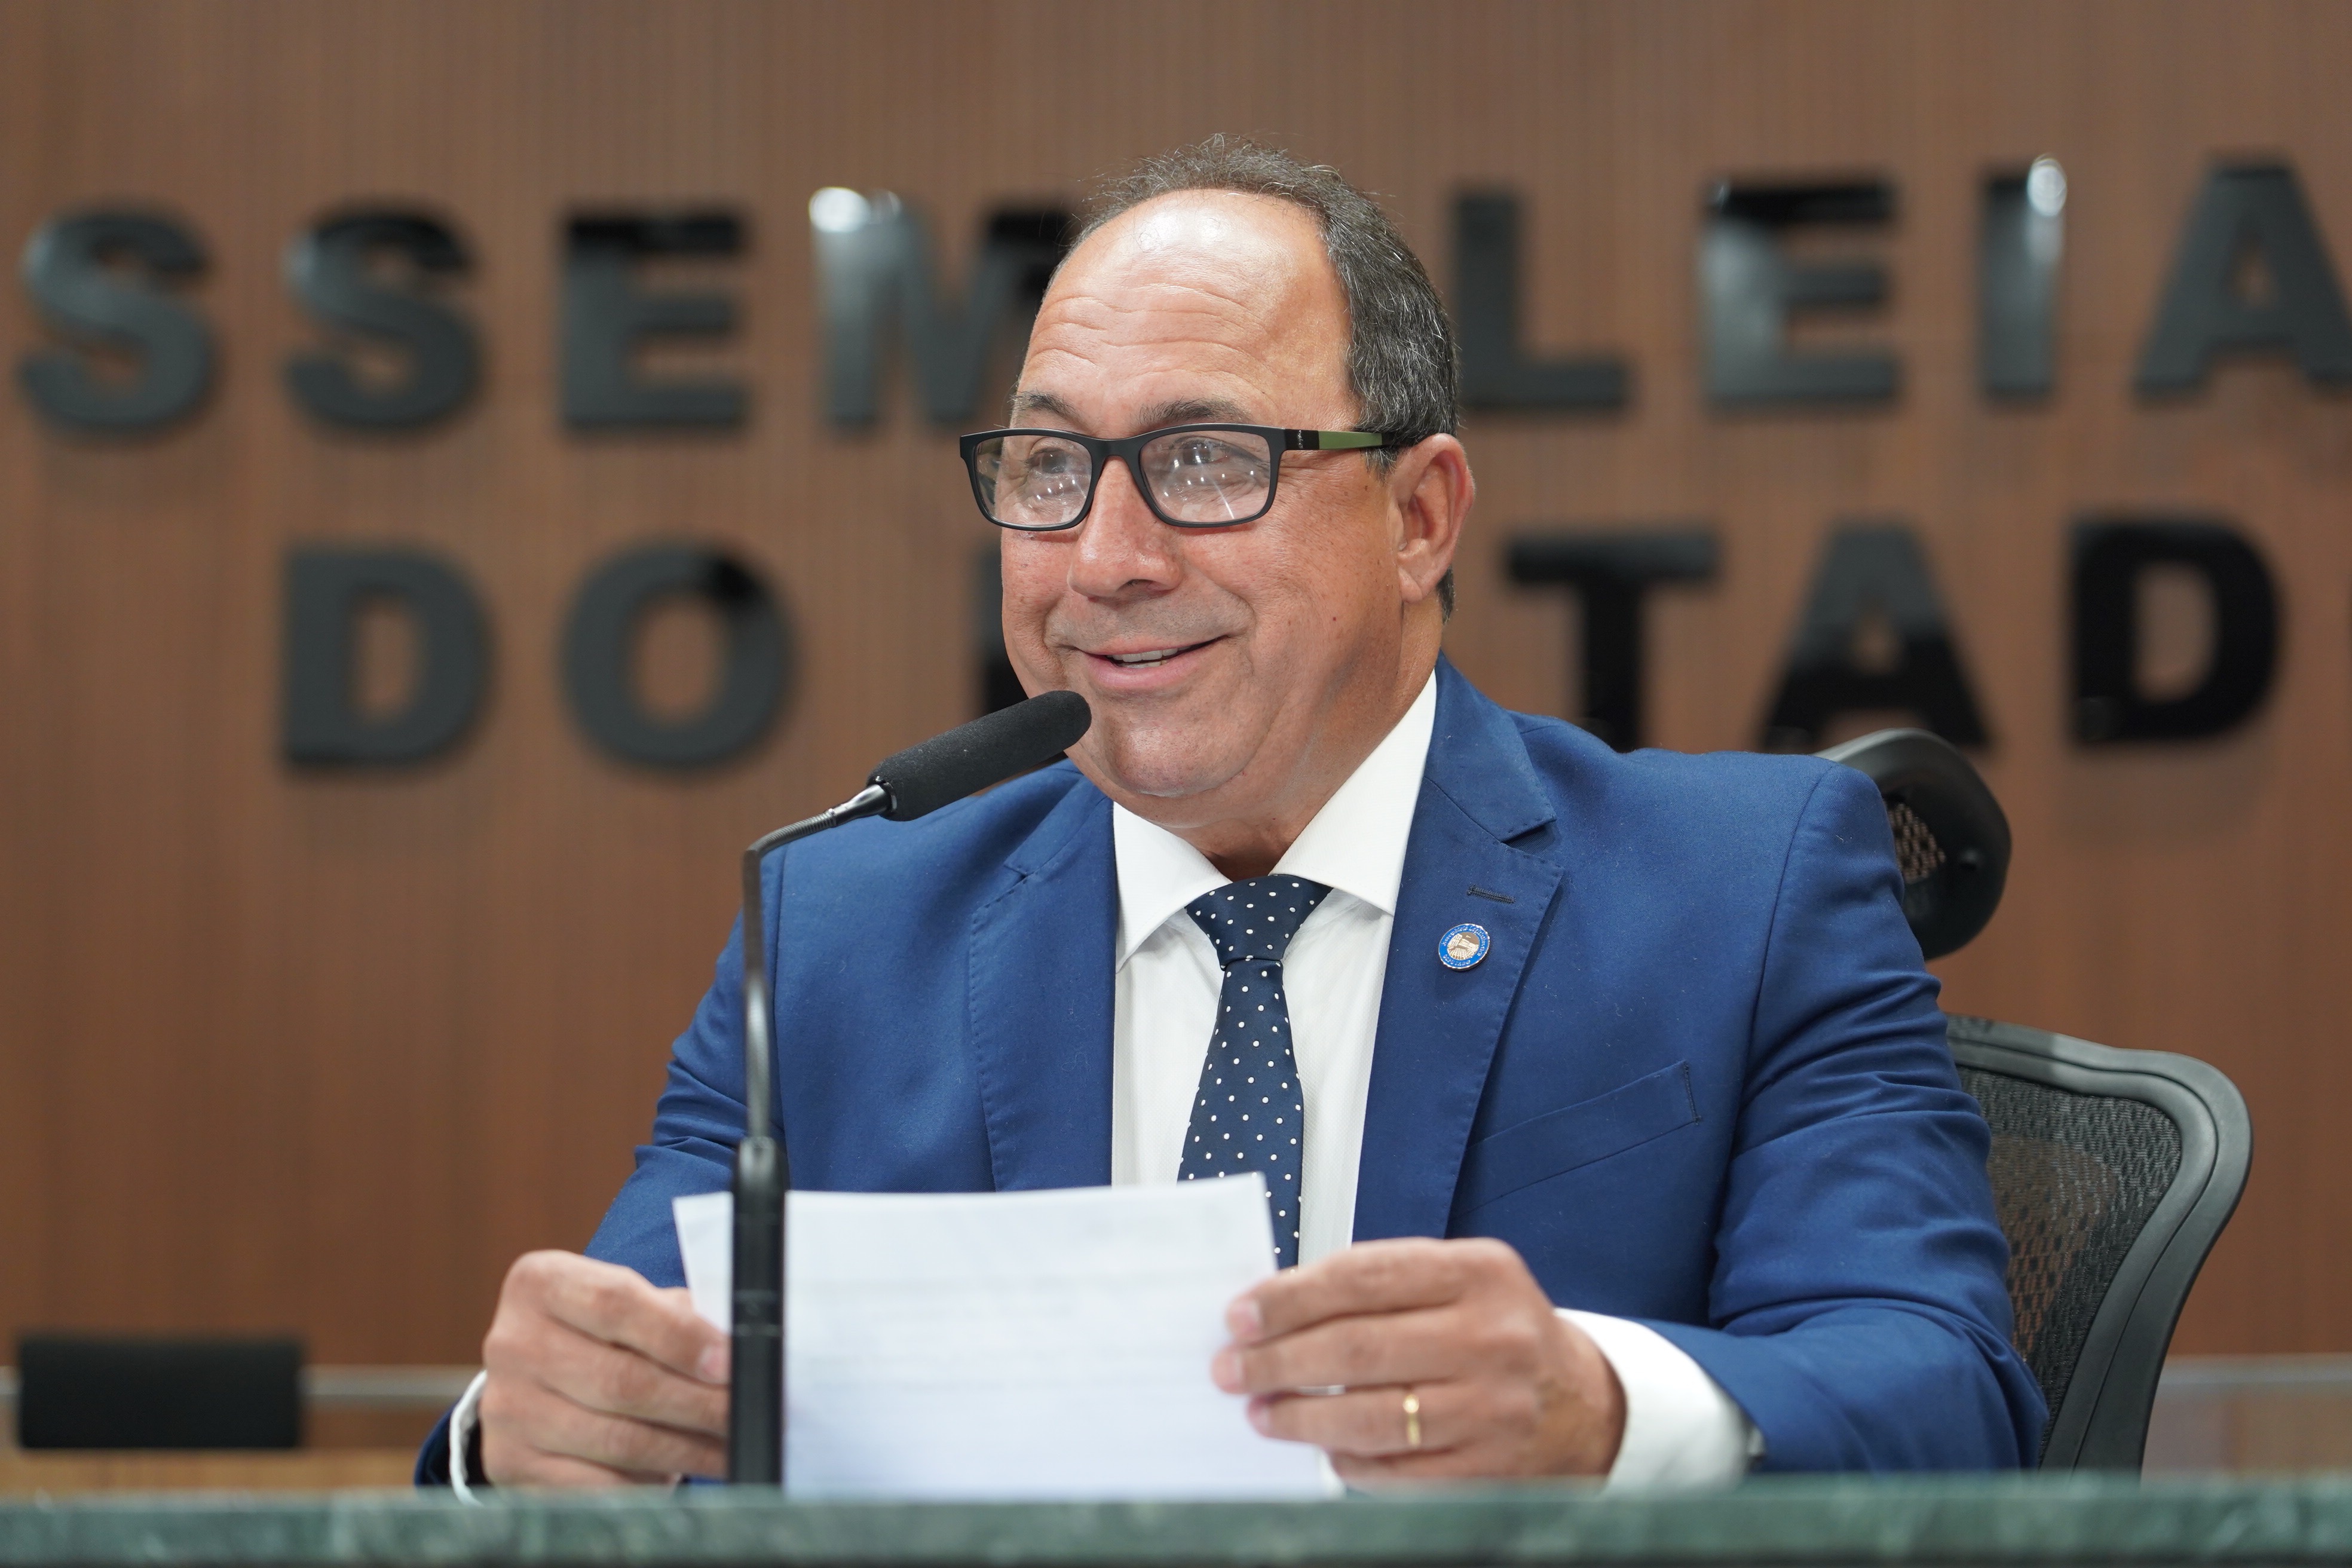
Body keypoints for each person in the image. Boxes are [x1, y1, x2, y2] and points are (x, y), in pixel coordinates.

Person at [418, 138, 2044, 1492]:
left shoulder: (1744, 887)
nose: (1105, 560)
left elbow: (1944, 1389)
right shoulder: (839, 923)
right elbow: (629, 1368)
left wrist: (1602, 1409)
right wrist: (519, 1435)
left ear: (1420, 516)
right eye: (1048, 469)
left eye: (1204, 461)